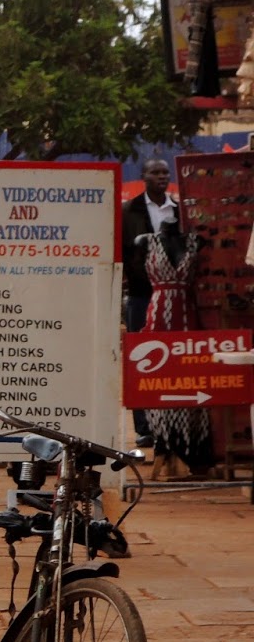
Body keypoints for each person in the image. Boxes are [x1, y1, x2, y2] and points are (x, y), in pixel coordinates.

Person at [141, 221, 214, 477]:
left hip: (186, 316)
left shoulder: (194, 241)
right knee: (158, 379)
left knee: (189, 377)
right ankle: (164, 440)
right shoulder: (145, 241)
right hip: (158, 315)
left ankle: (189, 447)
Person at [121, 158, 176, 447]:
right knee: (139, 358)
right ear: (143, 176)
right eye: (155, 172)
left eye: (165, 172)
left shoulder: (178, 210)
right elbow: (120, 251)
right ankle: (143, 427)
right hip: (141, 295)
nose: (161, 176)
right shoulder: (128, 211)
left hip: (173, 295)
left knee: (171, 359)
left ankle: (171, 423)